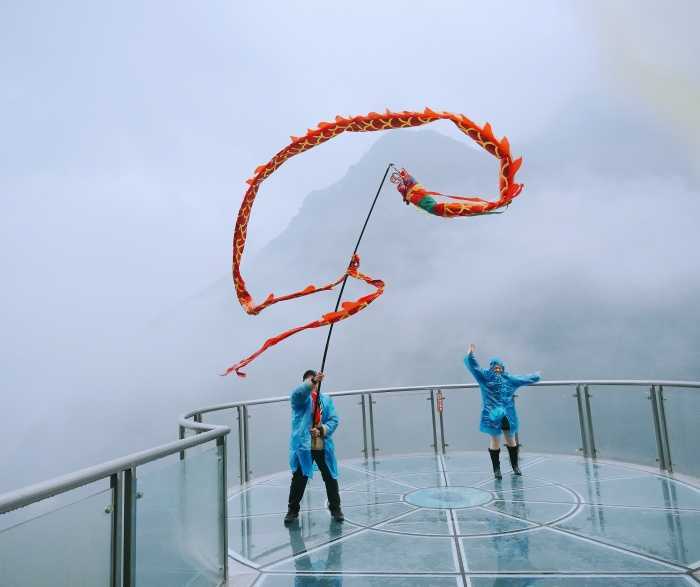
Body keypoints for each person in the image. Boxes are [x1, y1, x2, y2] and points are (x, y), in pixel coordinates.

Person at [464, 344, 541, 480]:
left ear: (503, 368)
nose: (498, 370)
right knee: (494, 440)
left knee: (510, 439)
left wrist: (536, 376)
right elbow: (475, 368)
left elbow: (523, 379)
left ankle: (515, 466)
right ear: (492, 368)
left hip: (507, 414)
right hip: (492, 413)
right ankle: (496, 470)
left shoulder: (508, 379)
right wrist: (470, 355)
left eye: (500, 368)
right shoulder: (486, 377)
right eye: (495, 367)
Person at [285, 370, 344, 524]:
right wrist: (310, 383)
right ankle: (292, 510)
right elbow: (298, 394)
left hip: (322, 443)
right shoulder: (300, 401)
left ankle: (335, 508)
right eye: (310, 381)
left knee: (330, 476)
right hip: (304, 446)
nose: (313, 385)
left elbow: (334, 420)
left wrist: (321, 430)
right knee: (299, 477)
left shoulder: (325, 400)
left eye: (316, 382)